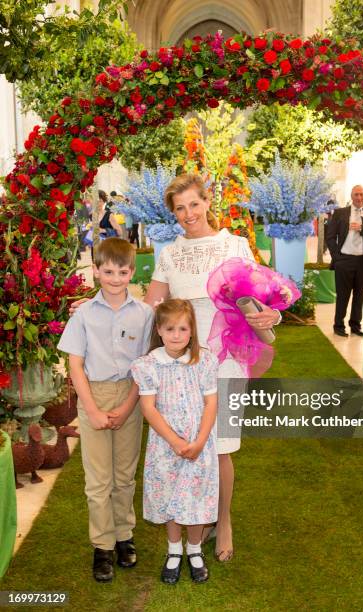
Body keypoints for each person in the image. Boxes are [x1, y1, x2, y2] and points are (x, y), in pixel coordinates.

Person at [144, 173, 281, 561]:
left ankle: (224, 521)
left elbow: (262, 298)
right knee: (189, 443)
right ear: (174, 213)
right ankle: (193, 518)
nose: (188, 213)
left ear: (207, 202)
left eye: (194, 203)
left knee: (220, 447)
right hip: (182, 362)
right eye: (180, 208)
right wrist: (94, 303)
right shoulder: (169, 253)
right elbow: (149, 307)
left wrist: (271, 316)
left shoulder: (234, 244)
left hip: (226, 356)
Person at [58, 238, 154, 583]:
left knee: (124, 476)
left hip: (131, 395)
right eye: (108, 271)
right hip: (93, 396)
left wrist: (129, 406)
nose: (115, 278)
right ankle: (102, 546)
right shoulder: (83, 314)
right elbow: (75, 364)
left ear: (132, 272)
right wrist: (93, 410)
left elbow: (146, 365)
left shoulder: (145, 314)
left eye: (122, 271)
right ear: (96, 271)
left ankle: (124, 537)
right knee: (98, 479)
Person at [131, 299, 219, 584]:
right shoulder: (149, 365)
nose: (177, 335)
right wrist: (174, 441)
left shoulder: (204, 360)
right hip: (165, 445)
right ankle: (174, 550)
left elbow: (211, 403)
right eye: (170, 329)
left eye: (183, 328)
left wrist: (200, 441)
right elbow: (149, 408)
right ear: (159, 330)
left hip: (199, 444)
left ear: (192, 330)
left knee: (196, 497)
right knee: (169, 494)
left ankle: (194, 549)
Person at [326, 185, 363, 337]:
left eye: (362, 195)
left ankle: (355, 326)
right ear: (352, 196)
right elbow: (330, 236)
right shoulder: (340, 213)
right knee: (343, 296)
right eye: (356, 194)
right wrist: (337, 257)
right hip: (344, 260)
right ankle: (338, 325)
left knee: (359, 296)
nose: (359, 197)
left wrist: (362, 228)